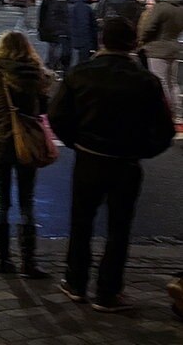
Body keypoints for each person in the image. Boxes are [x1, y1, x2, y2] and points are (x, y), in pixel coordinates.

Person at [50, 18, 175, 313]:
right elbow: (164, 130)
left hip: (89, 157)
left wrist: (76, 141)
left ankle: (75, 282)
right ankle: (108, 292)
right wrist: (141, 150)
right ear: (133, 43)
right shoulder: (146, 81)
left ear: (103, 40)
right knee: (119, 228)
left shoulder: (80, 73)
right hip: (126, 162)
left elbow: (57, 116)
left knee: (81, 223)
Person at [0, 32, 54, 278]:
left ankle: (3, 260)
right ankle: (29, 262)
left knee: (2, 200)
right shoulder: (35, 74)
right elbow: (43, 108)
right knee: (27, 201)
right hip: (27, 142)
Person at [139, 0, 183, 122]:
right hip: (174, 47)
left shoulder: (160, 7)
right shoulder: (180, 8)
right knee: (173, 82)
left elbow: (149, 28)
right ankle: (178, 113)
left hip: (157, 49)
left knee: (160, 82)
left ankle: (166, 112)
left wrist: (142, 40)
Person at [38, 0, 74, 74]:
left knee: (53, 46)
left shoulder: (47, 0)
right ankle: (56, 64)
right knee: (59, 46)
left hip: (49, 27)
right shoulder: (63, 1)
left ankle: (51, 64)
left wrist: (41, 27)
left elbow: (42, 15)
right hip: (59, 27)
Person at [70, 0, 99, 64]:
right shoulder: (82, 6)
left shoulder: (78, 3)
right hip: (83, 42)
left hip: (78, 41)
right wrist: (89, 44)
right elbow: (83, 25)